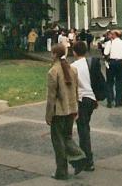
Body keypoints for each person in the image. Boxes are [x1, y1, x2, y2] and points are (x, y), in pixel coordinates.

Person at [45, 43, 87, 180]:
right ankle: (79, 157)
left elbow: (51, 97)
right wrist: (76, 109)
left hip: (59, 112)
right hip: (71, 109)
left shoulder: (53, 72)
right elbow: (75, 91)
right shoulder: (72, 69)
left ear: (55, 55)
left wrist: (48, 115)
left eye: (52, 53)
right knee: (67, 137)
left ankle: (62, 171)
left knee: (58, 141)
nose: (51, 55)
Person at [69, 41, 97, 171]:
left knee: (83, 129)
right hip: (91, 98)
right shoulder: (91, 63)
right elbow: (96, 81)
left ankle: (87, 159)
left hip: (81, 99)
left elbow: (72, 86)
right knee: (85, 127)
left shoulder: (73, 66)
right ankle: (86, 158)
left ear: (74, 52)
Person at [104, 30, 122, 108]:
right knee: (120, 82)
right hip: (120, 63)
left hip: (111, 63)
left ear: (115, 35)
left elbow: (106, 53)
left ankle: (110, 100)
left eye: (112, 34)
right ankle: (118, 102)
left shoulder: (110, 43)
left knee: (109, 82)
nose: (111, 35)